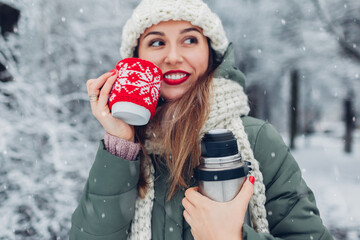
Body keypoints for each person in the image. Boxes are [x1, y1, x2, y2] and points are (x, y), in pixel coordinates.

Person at [70, 0, 334, 239]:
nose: (173, 57)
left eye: (189, 40)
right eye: (157, 42)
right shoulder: (125, 149)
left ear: (211, 54)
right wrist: (121, 143)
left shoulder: (257, 140)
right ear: (136, 60)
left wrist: (233, 237)